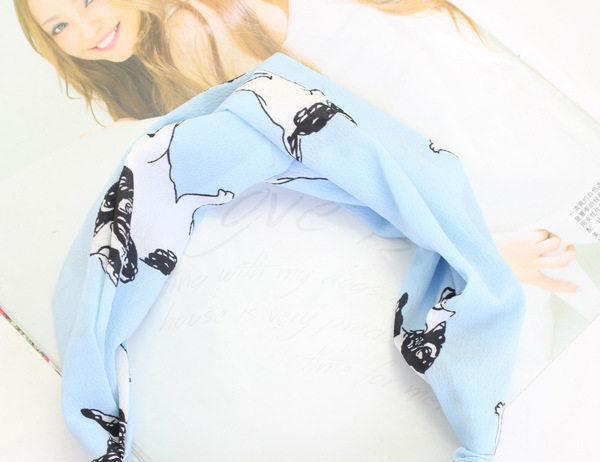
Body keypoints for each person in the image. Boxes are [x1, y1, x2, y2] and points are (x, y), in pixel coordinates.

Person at [15, 0, 578, 291]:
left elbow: (341, 150)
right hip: (492, 117)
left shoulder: (193, 29)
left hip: (481, 160)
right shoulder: (179, 37)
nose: (85, 31)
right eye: (59, 27)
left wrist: (472, 253)